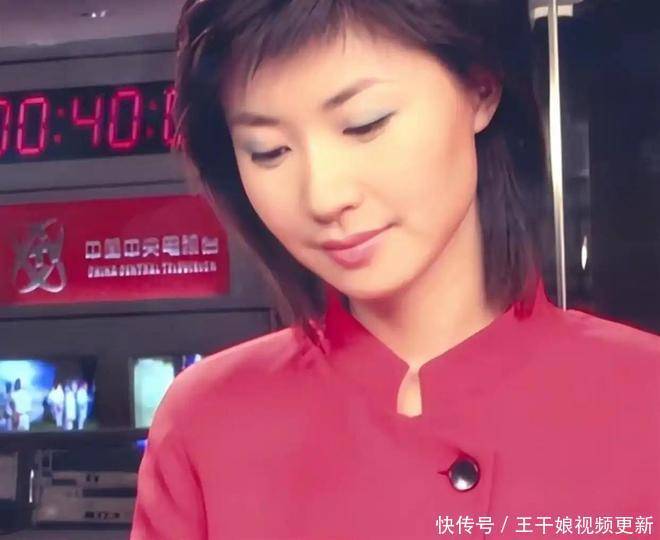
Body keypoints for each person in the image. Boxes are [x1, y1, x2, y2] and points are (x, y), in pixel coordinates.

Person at [131, 1, 660, 539]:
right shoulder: (206, 424)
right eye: (268, 152)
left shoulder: (645, 398)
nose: (324, 196)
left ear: (480, 89)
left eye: (366, 123)